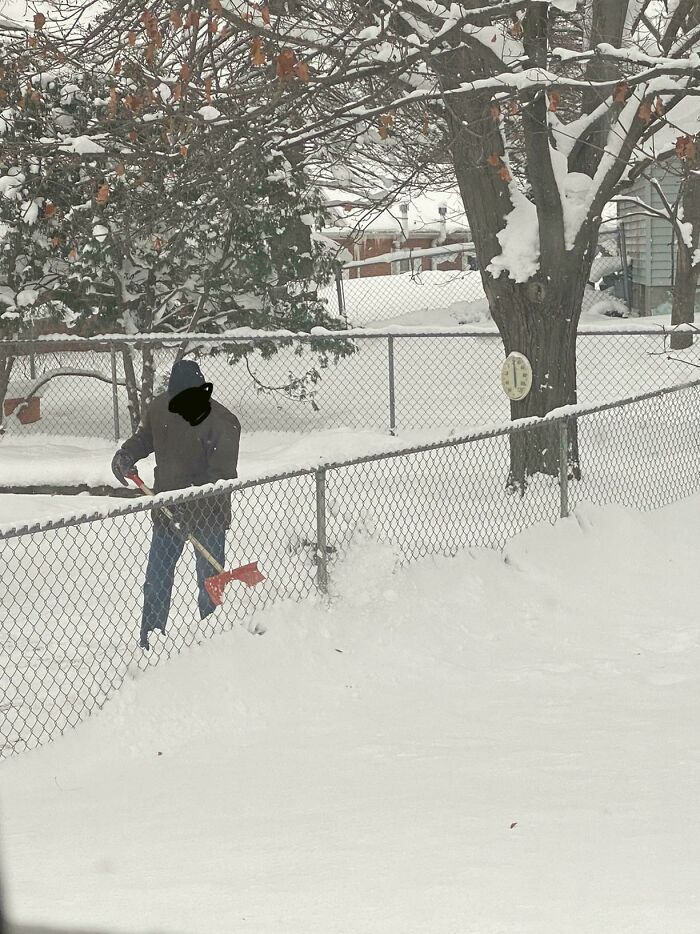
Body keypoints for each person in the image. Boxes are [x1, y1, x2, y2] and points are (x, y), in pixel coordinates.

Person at [111, 360, 241, 650]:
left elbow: (222, 478)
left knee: (210, 583)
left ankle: (215, 642)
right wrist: (127, 454)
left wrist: (191, 508)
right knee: (156, 581)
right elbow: (145, 438)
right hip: (167, 512)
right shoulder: (161, 408)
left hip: (208, 517)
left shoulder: (222, 421)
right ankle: (151, 642)